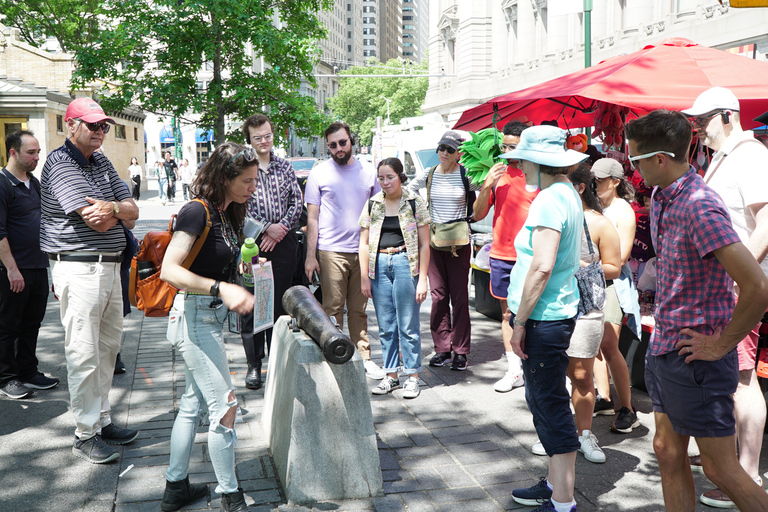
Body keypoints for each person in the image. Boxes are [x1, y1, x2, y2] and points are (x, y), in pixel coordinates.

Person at [625, 109, 768, 512]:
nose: (632, 168)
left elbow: (758, 287)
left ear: (659, 160)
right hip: (668, 349)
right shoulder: (661, 196)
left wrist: (721, 345)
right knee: (667, 450)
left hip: (695, 358)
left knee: (720, 469)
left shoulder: (698, 205)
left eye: (635, 159)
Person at [681, 86, 768, 507]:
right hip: (731, 284)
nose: (697, 127)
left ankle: (747, 471)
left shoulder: (750, 156)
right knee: (735, 376)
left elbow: (766, 219)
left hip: (741, 286)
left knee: (742, 378)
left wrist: (740, 274)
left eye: (704, 119)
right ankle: (732, 461)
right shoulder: (725, 157)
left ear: (728, 116)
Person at [40, 97, 140, 463]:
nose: (100, 131)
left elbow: (132, 211)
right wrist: (116, 210)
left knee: (107, 350)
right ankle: (84, 434)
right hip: (79, 267)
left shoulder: (100, 160)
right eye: (92, 125)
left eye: (104, 126)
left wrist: (113, 207)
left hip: (110, 267)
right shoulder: (59, 162)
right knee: (83, 352)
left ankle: (101, 420)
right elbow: (92, 219)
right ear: (71, 125)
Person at [159, 142, 257, 512]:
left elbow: (215, 263)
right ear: (224, 177)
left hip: (206, 318)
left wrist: (242, 268)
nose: (251, 187)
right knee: (225, 406)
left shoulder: (226, 213)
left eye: (254, 180)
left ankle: (175, 487)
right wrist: (221, 288)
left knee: (191, 404)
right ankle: (230, 496)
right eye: (245, 180)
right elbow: (171, 270)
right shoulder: (196, 212)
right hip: (196, 318)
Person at [502, 125, 587, 512]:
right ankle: (555, 486)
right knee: (545, 400)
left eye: (522, 159)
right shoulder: (563, 192)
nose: (517, 165)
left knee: (550, 405)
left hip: (545, 319)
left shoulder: (551, 198)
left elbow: (542, 266)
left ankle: (563, 502)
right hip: (551, 316)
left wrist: (520, 321)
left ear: (540, 161)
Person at [540, 164, 620, 464]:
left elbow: (615, 266)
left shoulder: (599, 223)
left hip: (585, 308)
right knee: (550, 375)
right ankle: (556, 436)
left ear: (579, 188)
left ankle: (584, 434)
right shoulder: (552, 216)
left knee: (582, 375)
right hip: (551, 305)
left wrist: (585, 267)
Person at [304, 121, 385, 380]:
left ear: (352, 141)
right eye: (332, 145)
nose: (339, 148)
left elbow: (379, 214)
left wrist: (378, 250)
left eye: (343, 142)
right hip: (331, 251)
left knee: (360, 309)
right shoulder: (319, 173)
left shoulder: (369, 172)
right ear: (327, 146)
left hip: (362, 251)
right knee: (332, 308)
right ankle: (333, 356)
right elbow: (312, 219)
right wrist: (310, 256)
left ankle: (364, 357)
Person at [472, 120, 537, 390]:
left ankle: (538, 370)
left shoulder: (538, 176)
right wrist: (487, 185)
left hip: (532, 256)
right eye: (505, 145)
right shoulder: (497, 174)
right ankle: (514, 370)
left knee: (536, 314)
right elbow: (476, 214)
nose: (507, 150)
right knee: (508, 314)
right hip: (501, 254)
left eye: (513, 146)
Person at [239, 114, 302, 390]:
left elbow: (296, 203)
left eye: (267, 135)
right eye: (257, 137)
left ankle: (279, 359)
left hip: (284, 243)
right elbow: (240, 207)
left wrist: (281, 229)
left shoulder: (285, 167)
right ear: (249, 140)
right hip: (255, 244)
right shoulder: (242, 168)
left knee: (278, 305)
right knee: (255, 304)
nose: (264, 141)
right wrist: (265, 229)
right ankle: (254, 365)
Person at [359, 158, 430, 398]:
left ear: (401, 176)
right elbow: (363, 243)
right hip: (379, 265)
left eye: (390, 177)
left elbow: (424, 244)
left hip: (404, 264)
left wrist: (422, 279)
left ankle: (412, 376)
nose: (385, 182)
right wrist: (364, 277)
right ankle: (391, 375)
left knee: (408, 324)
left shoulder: (414, 203)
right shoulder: (372, 204)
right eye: (381, 178)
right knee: (386, 325)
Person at [408, 131, 479, 371]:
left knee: (459, 298)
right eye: (441, 148)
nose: (444, 153)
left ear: (459, 153)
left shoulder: (465, 174)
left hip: (459, 243)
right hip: (434, 242)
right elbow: (408, 190)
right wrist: (421, 215)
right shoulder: (428, 175)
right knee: (438, 297)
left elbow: (485, 193)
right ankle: (442, 349)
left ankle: (460, 350)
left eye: (449, 149)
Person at [0, 131, 59, 400]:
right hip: (12, 269)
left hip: (37, 267)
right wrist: (12, 269)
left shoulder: (33, 183)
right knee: (8, 326)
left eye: (38, 152)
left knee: (31, 323)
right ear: (13, 152)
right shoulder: (3, 184)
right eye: (30, 153)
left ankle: (28, 371)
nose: (37, 157)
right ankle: (7, 378)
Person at [590, 158, 642, 433]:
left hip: (612, 284)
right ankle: (605, 397)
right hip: (593, 281)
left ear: (616, 182)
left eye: (598, 180)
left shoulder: (624, 211)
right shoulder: (597, 206)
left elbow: (619, 260)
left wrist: (585, 265)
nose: (593, 184)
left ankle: (628, 409)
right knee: (596, 344)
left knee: (609, 345)